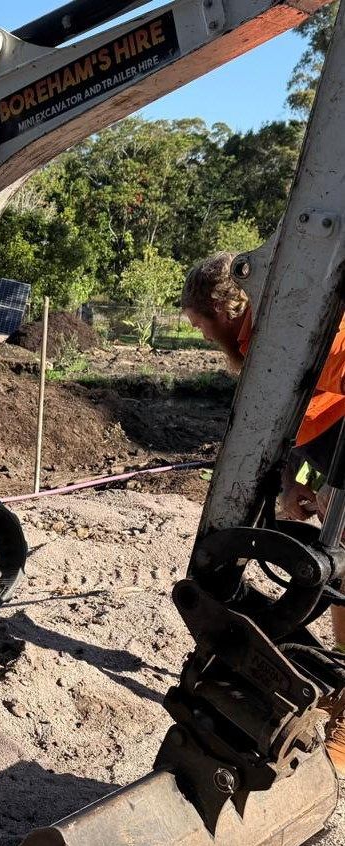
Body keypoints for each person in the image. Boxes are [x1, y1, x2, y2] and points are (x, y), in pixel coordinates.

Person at [181, 251, 345, 772]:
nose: (202, 335)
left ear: (226, 306)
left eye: (199, 322)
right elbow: (312, 417)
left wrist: (310, 479)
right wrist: (304, 479)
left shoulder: (285, 335)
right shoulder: (287, 333)